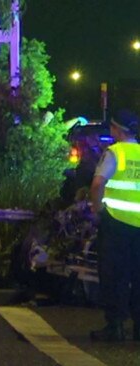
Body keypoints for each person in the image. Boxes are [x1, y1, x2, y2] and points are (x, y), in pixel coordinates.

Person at [89, 109, 140, 342]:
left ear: (117, 129)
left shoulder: (115, 152)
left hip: (117, 224)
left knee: (114, 276)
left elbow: (98, 183)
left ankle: (115, 326)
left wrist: (96, 209)